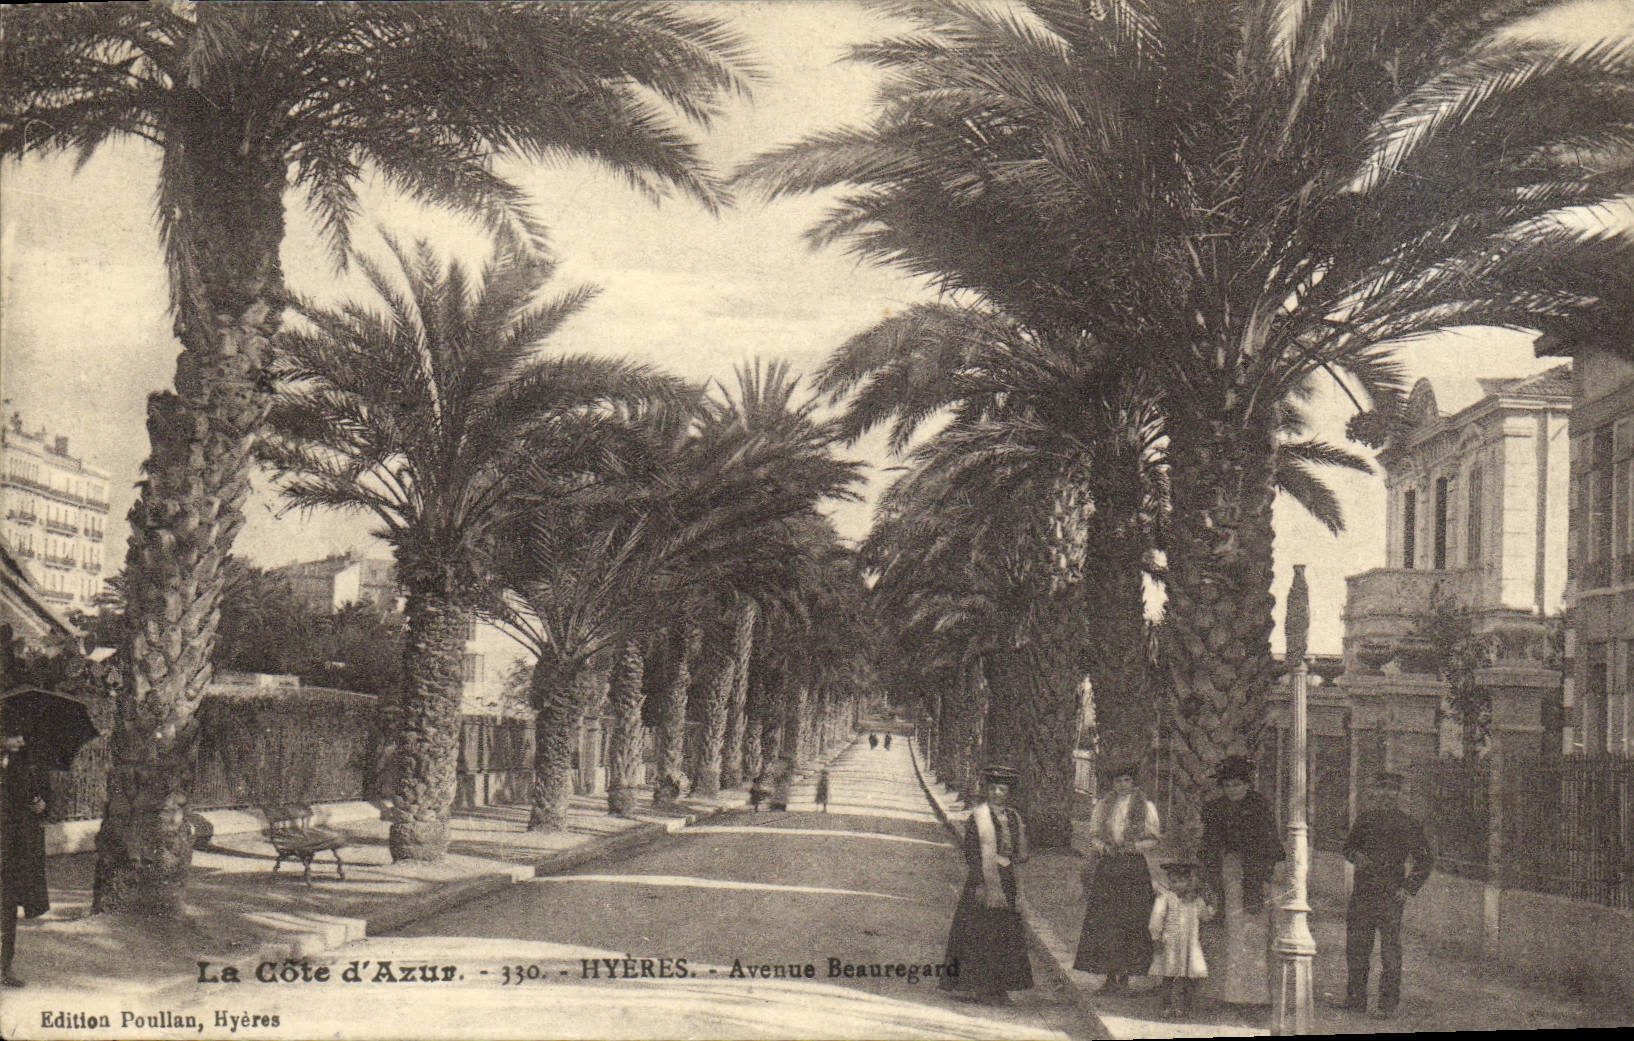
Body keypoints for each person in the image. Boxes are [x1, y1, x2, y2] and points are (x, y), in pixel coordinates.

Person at [1342, 771, 1433, 1019]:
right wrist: (1355, 855)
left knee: (1390, 952)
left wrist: (1408, 888)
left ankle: (1387, 1005)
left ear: (1398, 794)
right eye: (1381, 789)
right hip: (1363, 892)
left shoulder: (1408, 824)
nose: (1385, 795)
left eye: (1391, 790)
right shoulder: (1365, 820)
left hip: (1391, 895)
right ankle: (1355, 999)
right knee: (1357, 948)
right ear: (1374, 792)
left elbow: (1425, 861)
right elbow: (1348, 847)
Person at [940, 764, 1033, 1005]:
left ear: (1008, 793)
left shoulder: (1014, 817)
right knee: (979, 932)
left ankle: (1000, 987)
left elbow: (1020, 853)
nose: (996, 793)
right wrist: (982, 883)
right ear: (987, 791)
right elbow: (972, 852)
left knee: (1005, 934)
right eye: (992, 788)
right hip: (982, 880)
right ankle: (976, 985)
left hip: (1008, 880)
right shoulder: (978, 817)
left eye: (1001, 789)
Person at [1074, 761, 1161, 994]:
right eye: (1118, 781)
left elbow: (1153, 839)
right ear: (1112, 783)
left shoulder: (1146, 806)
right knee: (1107, 919)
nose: (1122, 785)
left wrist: (1134, 846)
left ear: (1133, 783)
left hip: (1132, 868)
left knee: (1132, 918)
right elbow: (1093, 834)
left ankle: (1126, 975)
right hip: (1109, 866)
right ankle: (1110, 976)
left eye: (1127, 780)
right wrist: (1103, 846)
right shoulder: (1103, 805)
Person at [1199, 755, 1283, 916]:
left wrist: (1267, 870)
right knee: (1225, 905)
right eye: (1228, 786)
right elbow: (1209, 841)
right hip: (1226, 864)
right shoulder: (1215, 808)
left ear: (1247, 785)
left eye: (1237, 785)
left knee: (1254, 909)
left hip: (1254, 863)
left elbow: (1270, 839)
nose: (1233, 790)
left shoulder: (1259, 805)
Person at [1, 733, 50, 988]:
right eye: (14, 736)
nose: (21, 741)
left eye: (23, 737)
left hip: (14, 849)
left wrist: (42, 804)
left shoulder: (31, 764)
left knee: (7, 909)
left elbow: (46, 800)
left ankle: (4, 968)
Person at [1148, 860, 1215, 1019]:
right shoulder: (1166, 898)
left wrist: (1210, 905)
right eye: (1172, 881)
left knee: (1189, 977)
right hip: (1171, 942)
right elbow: (1156, 919)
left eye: (1180, 881)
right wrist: (1156, 937)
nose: (1175, 884)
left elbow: (1205, 917)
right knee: (1169, 976)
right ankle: (1166, 1006)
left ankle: (1185, 1007)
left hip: (1190, 944)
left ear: (1189, 882)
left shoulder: (1196, 901)